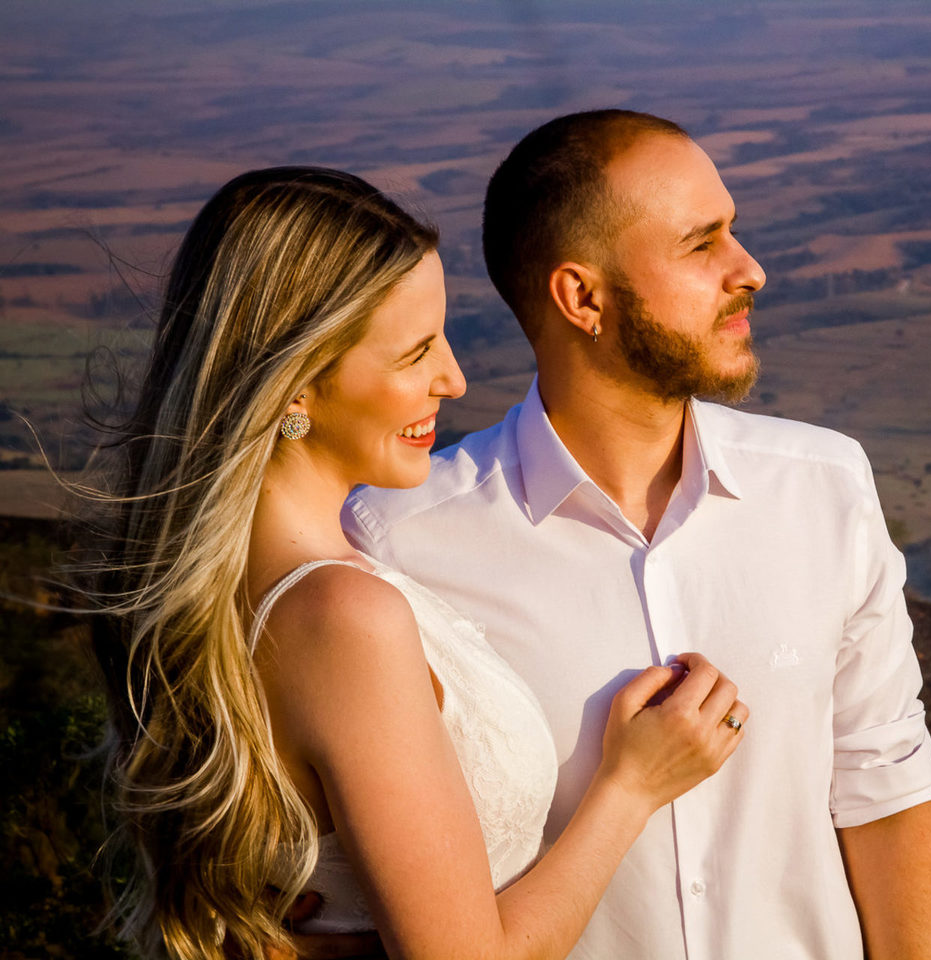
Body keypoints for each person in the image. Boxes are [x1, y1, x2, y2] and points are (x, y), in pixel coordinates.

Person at [86, 165, 747, 960]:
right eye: (414, 354)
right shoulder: (343, 617)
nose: (454, 378)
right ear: (294, 387)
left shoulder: (271, 584)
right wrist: (629, 788)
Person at [343, 110, 931, 958]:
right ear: (582, 297)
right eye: (702, 245)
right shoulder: (397, 545)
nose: (753, 271)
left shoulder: (825, 486)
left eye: (732, 234)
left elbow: (884, 790)